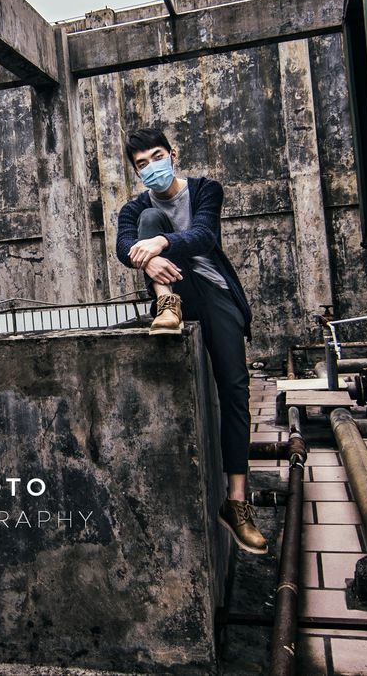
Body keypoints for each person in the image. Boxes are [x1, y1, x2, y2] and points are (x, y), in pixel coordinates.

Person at [115, 128, 266, 554]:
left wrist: (160, 244)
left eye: (157, 157)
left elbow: (204, 235)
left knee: (235, 389)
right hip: (173, 289)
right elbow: (122, 245)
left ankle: (235, 503)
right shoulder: (136, 208)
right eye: (141, 163)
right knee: (145, 223)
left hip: (213, 291)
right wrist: (149, 251)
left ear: (173, 155)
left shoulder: (205, 190)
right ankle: (167, 306)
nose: (151, 167)